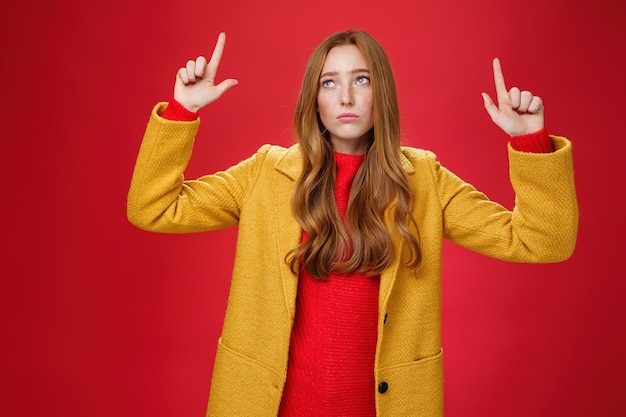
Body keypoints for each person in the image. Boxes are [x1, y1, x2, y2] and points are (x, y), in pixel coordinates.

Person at [127, 30, 578, 417]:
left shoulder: (424, 181)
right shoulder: (267, 173)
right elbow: (153, 207)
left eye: (361, 80)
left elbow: (542, 241)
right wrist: (183, 112)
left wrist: (529, 141)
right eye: (329, 83)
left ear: (381, 92)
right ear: (314, 99)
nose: (345, 97)